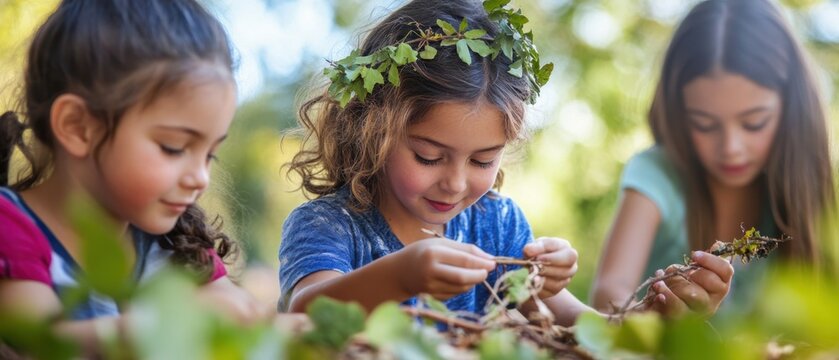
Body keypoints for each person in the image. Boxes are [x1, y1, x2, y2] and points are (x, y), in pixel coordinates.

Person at [279, 0, 734, 326]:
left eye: (482, 160)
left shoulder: (497, 225)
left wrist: (652, 315)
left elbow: (582, 330)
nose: (455, 183)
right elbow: (304, 313)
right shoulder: (329, 225)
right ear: (370, 130)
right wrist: (401, 275)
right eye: (428, 156)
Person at [0, 0, 267, 353]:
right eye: (173, 147)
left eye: (210, 154)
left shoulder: (177, 243)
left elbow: (244, 319)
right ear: (77, 127)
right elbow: (44, 343)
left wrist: (295, 331)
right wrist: (166, 324)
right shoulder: (10, 226)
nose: (201, 177)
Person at [591, 0, 835, 314]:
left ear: (791, 111)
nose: (731, 147)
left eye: (754, 123)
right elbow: (607, 293)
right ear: (679, 114)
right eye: (704, 124)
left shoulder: (805, 191)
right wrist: (650, 315)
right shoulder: (657, 174)